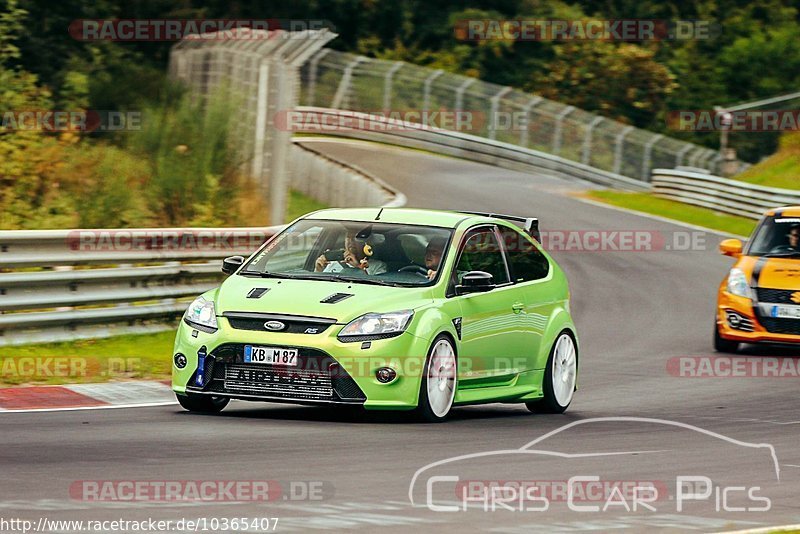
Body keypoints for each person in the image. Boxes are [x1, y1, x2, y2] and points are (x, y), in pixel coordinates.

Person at [314, 231, 387, 275]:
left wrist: (358, 267)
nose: (350, 241)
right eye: (348, 237)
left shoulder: (378, 266)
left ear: (366, 243)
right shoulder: (333, 263)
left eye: (355, 238)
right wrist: (318, 270)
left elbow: (375, 290)